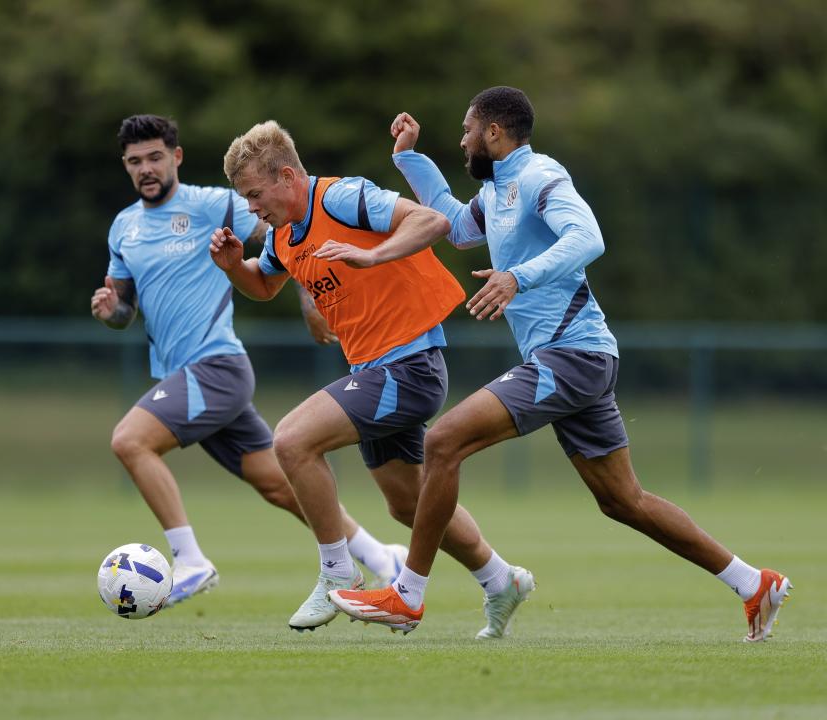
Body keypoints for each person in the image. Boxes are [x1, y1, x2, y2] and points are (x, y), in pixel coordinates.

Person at [329, 87, 791, 643]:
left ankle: (406, 596)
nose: (462, 140)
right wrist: (408, 159)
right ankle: (753, 584)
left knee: (444, 442)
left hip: (571, 355)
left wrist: (517, 276)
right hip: (578, 359)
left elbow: (588, 237)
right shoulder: (500, 189)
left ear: (493, 133)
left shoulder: (540, 176)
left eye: (467, 130)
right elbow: (456, 226)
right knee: (624, 501)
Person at [209, 120, 533, 635]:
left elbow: (430, 221)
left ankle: (338, 570)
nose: (251, 207)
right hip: (375, 370)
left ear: (287, 175)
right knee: (409, 504)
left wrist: (372, 253)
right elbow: (264, 286)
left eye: (254, 193)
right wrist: (233, 268)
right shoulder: (283, 235)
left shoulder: (342, 197)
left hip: (410, 367)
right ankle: (500, 580)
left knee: (291, 440)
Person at [91, 114, 406, 607]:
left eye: (155, 157)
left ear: (176, 157)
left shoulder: (214, 205)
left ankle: (190, 561)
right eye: (135, 162)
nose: (145, 169)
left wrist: (309, 297)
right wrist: (113, 312)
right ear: (126, 166)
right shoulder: (124, 227)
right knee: (281, 488)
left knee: (130, 441)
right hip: (183, 376)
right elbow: (125, 309)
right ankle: (380, 556)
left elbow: (287, 235)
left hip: (215, 367)